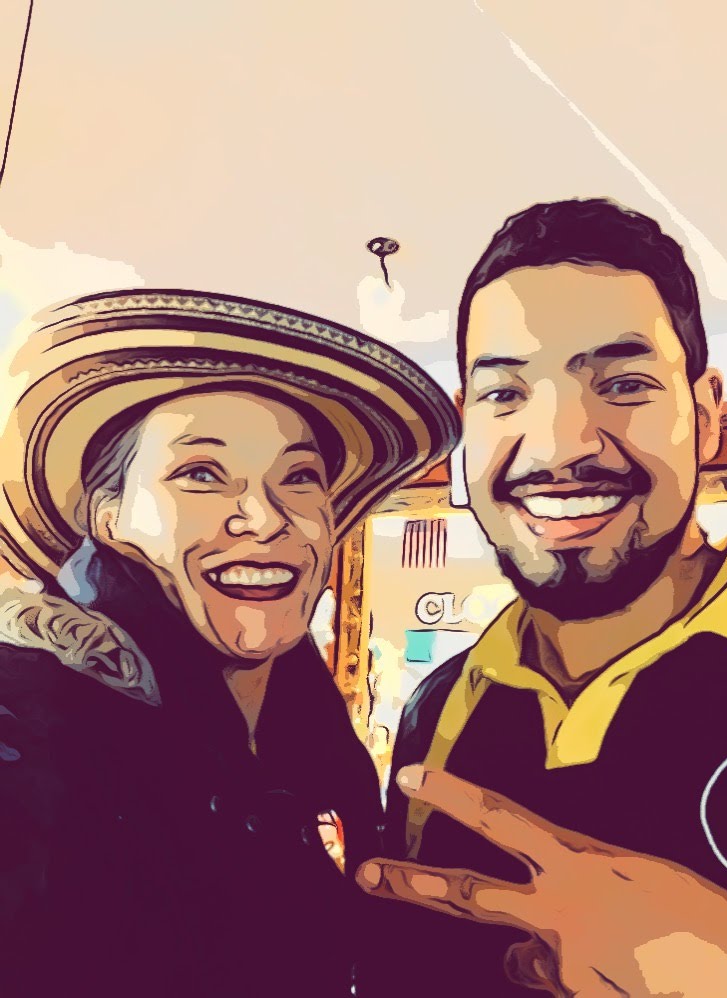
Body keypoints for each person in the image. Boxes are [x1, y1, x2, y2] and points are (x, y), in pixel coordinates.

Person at [0, 288, 460, 997]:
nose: (265, 517)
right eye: (201, 475)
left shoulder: (302, 735)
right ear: (109, 517)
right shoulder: (34, 724)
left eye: (299, 478)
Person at [357, 199, 727, 995]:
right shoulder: (440, 709)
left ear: (706, 416)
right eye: (505, 394)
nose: (562, 444)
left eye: (624, 384)